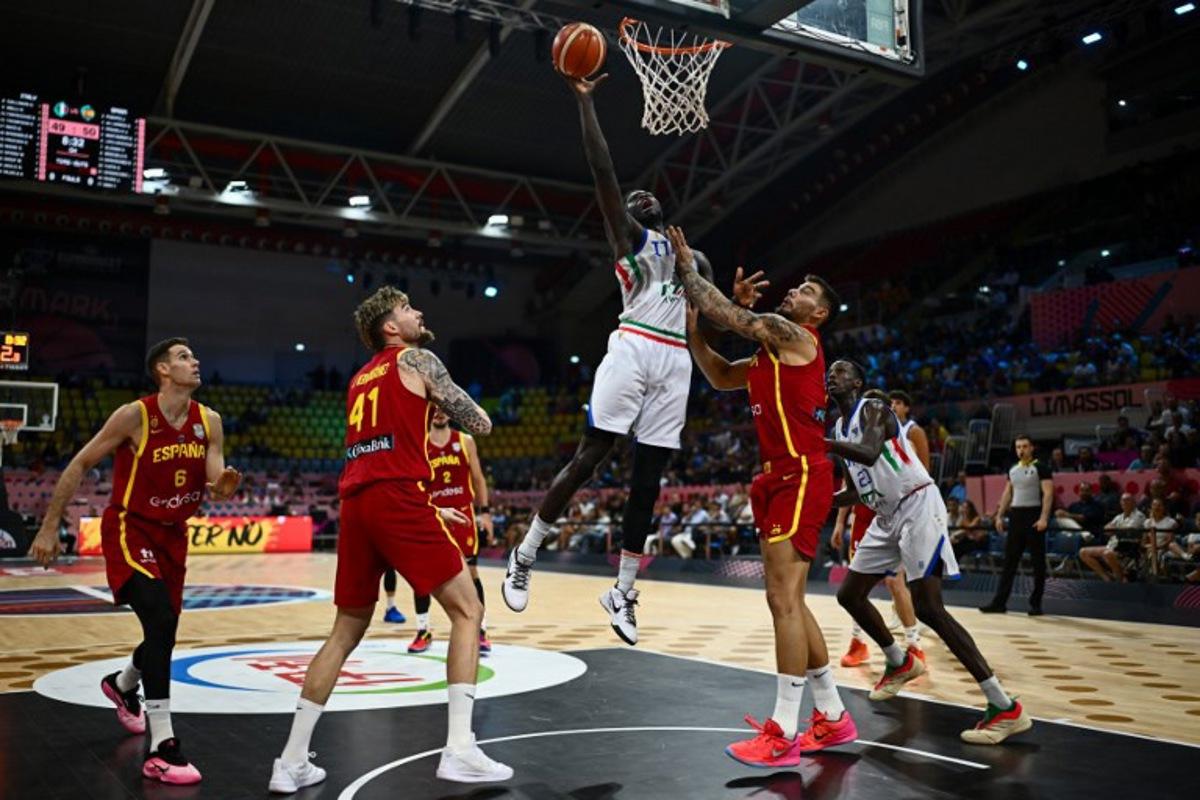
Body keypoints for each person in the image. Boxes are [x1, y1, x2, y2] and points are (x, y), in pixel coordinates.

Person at [502, 70, 715, 645]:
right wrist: (586, 104)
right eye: (631, 199)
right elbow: (603, 172)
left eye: (647, 198)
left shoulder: (694, 258)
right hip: (635, 344)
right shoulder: (630, 239)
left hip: (676, 360)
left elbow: (712, 311)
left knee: (648, 482)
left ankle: (623, 592)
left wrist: (735, 303)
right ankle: (526, 552)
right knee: (590, 458)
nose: (638, 199)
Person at [269, 287, 511, 794]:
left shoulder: (360, 378)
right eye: (407, 308)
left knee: (344, 631)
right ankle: (460, 748)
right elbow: (480, 423)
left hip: (357, 504)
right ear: (390, 328)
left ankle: (290, 760)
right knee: (468, 611)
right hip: (398, 497)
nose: (418, 312)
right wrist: (445, 401)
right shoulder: (417, 359)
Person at [669, 225, 857, 767]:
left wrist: (688, 268)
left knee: (782, 600)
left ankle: (784, 732)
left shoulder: (798, 338)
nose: (795, 291)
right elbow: (719, 374)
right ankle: (832, 716)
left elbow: (735, 319)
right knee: (790, 600)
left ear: (819, 314)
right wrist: (694, 333)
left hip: (801, 473)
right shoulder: (768, 355)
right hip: (776, 478)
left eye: (807, 292)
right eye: (798, 287)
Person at [27, 338, 241, 785]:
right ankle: (163, 748)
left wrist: (223, 486)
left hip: (174, 535)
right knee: (160, 619)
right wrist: (48, 527)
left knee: (166, 630)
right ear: (162, 370)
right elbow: (80, 463)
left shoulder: (210, 421)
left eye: (193, 356)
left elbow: (214, 478)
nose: (195, 361)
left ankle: (123, 684)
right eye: (184, 357)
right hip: (131, 527)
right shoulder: (135, 416)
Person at [826, 360, 1031, 745]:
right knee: (849, 595)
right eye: (830, 372)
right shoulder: (838, 429)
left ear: (857, 382)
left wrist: (818, 444)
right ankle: (899, 661)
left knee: (929, 608)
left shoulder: (874, 408)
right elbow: (857, 489)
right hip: (886, 514)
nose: (831, 376)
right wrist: (817, 500)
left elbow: (868, 452)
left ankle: (1004, 706)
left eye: (840, 371)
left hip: (917, 503)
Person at [832, 390, 924, 669]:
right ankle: (858, 642)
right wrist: (839, 522)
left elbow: (916, 472)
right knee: (854, 587)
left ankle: (914, 644)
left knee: (896, 583)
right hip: (863, 515)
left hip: (895, 510)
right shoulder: (849, 435)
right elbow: (850, 485)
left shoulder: (905, 436)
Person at [408, 407, 495, 655]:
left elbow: (478, 479)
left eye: (444, 408)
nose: (439, 413)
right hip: (433, 515)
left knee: (472, 573)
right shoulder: (419, 443)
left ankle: (480, 630)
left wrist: (485, 513)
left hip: (463, 515)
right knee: (422, 575)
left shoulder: (465, 441)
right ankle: (423, 630)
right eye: (434, 408)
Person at [980, 435, 1054, 615]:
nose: (1021, 450)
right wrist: (999, 516)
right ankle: (999, 603)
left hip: (1034, 515)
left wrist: (1044, 518)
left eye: (1025, 446)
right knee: (1009, 562)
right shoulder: (1013, 469)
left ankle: (1036, 604)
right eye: (1018, 447)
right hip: (1016, 516)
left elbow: (1048, 494)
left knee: (1038, 563)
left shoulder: (1041, 467)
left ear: (1032, 448)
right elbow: (1007, 493)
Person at [1079, 493, 1144, 581]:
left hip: (1128, 547)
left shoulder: (1139, 516)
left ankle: (1119, 580)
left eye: (1127, 500)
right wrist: (1117, 530)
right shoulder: (1119, 517)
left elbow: (1128, 531)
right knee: (1083, 552)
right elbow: (1106, 529)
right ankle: (1106, 578)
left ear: (1133, 502)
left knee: (1108, 554)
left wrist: (1115, 530)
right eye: (1123, 500)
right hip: (1112, 545)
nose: (1124, 502)